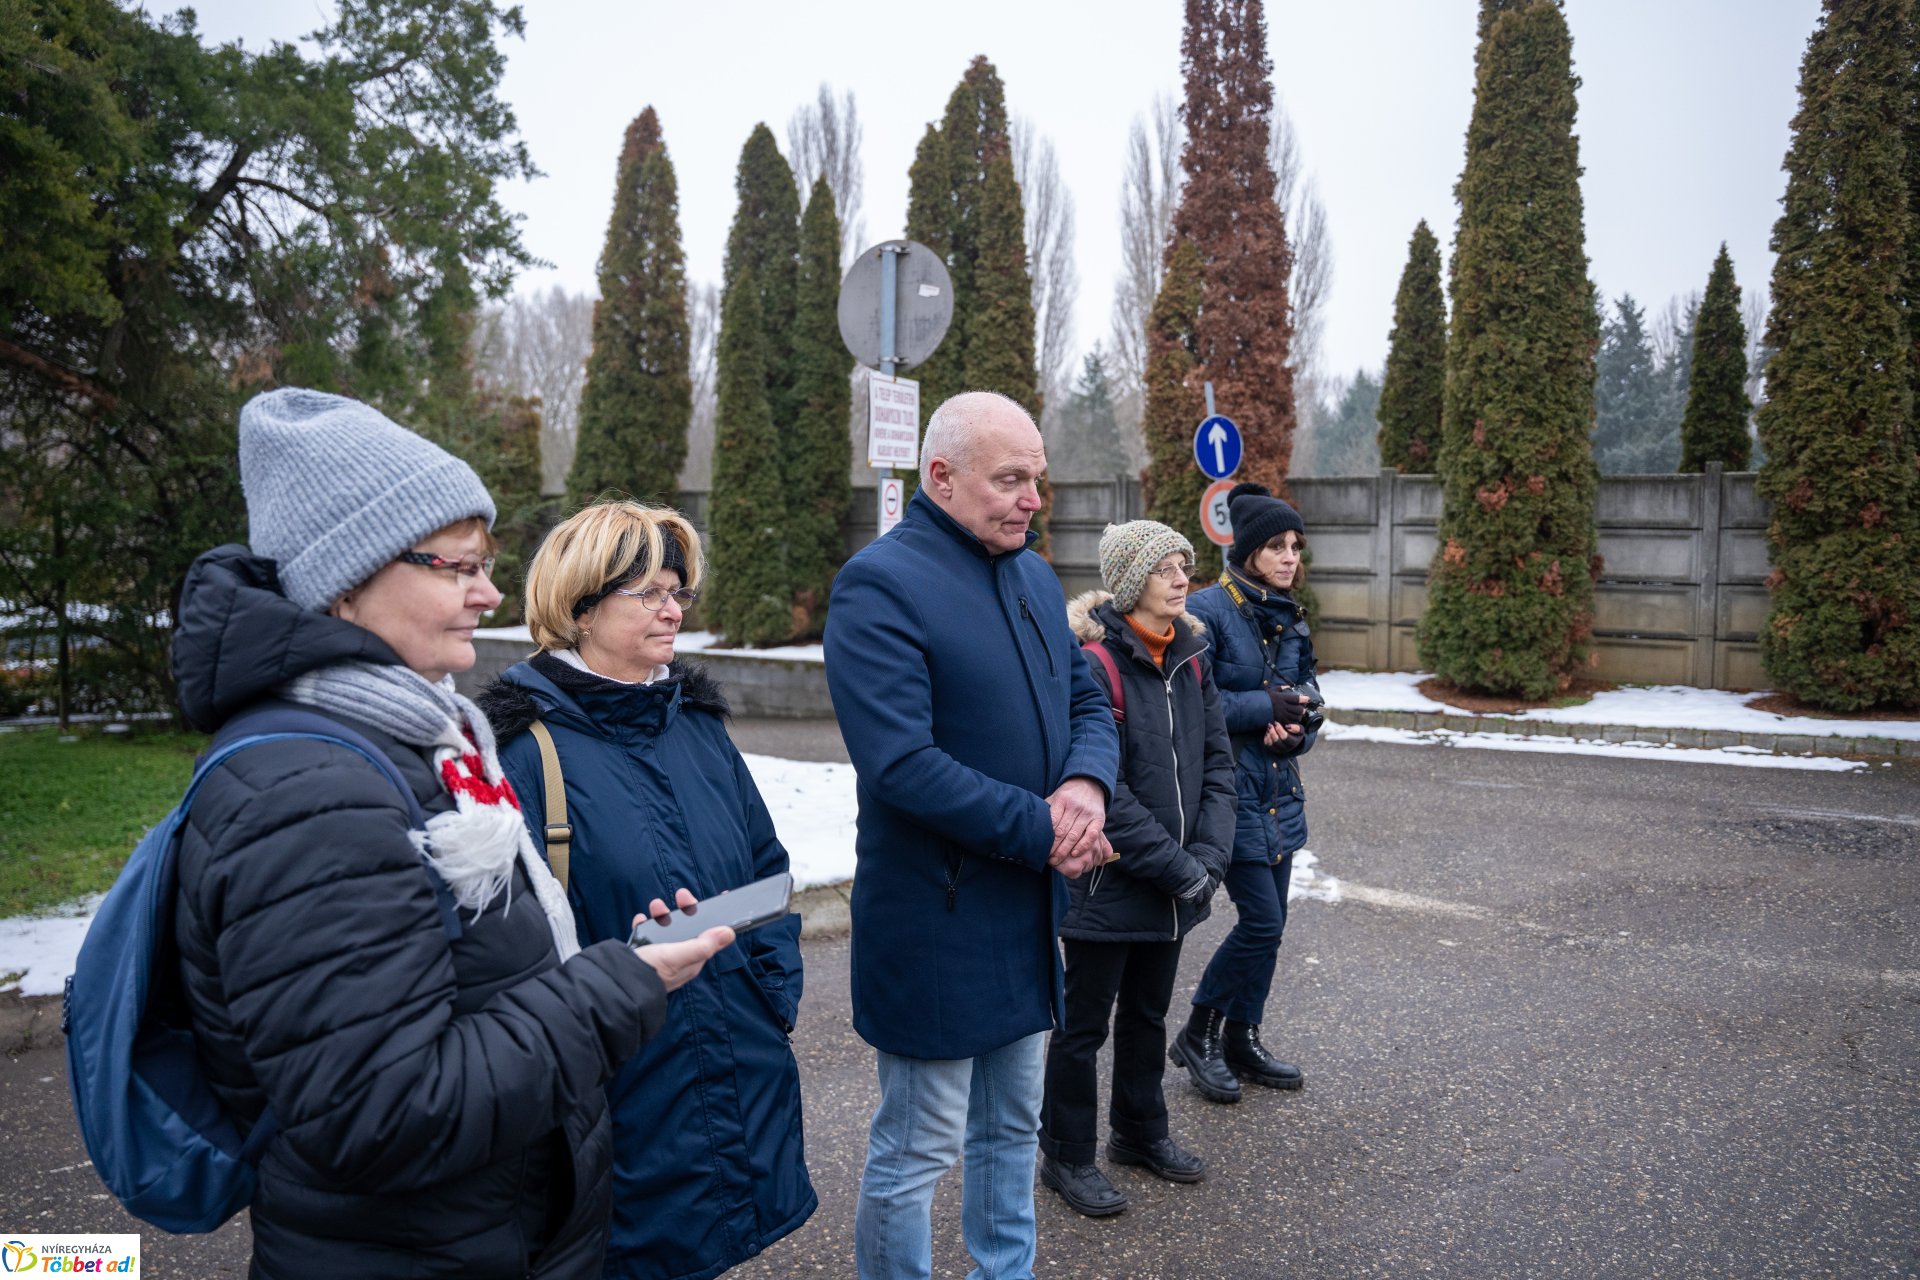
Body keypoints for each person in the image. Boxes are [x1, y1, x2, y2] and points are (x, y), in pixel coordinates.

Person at [169, 388, 731, 1278]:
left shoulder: (411, 736)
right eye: (456, 566)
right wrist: (614, 988)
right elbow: (383, 1112)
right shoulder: (310, 794)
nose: (491, 591)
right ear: (347, 576)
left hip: (477, 1234)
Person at [823, 390, 1121, 1280]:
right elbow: (902, 765)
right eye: (1011, 479)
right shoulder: (880, 583)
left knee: (1009, 1131)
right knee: (917, 1150)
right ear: (941, 476)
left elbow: (1085, 699)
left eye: (1038, 479)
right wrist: (1047, 831)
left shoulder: (1031, 573)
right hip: (936, 921)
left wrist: (1084, 786)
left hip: (1024, 915)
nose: (1032, 499)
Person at [477, 500, 814, 1280]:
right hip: (619, 1096)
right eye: (650, 593)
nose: (674, 610)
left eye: (679, 592)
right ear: (581, 607)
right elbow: (501, 954)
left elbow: (764, 869)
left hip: (738, 1062)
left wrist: (773, 991)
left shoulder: (694, 724)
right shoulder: (521, 754)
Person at [1038, 521, 1236, 1218]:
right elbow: (1103, 789)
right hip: (1108, 884)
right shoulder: (1097, 664)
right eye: (1166, 568)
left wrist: (1207, 860)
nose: (1183, 578)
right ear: (1129, 582)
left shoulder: (1193, 656)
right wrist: (1178, 865)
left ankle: (1140, 1132)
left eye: (1185, 564)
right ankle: (1066, 1155)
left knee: (1149, 1015)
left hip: (1178, 883)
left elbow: (1218, 768)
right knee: (1083, 1026)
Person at [1175, 481, 1322, 1104]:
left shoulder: (1288, 615)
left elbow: (1310, 697)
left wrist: (1300, 730)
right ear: (1249, 551)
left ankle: (1244, 1034)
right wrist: (1265, 705)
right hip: (1229, 794)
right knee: (1260, 922)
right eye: (1278, 547)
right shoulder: (1207, 612)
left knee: (1276, 922)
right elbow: (1193, 702)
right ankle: (1197, 1033)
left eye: (1296, 547)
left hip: (1279, 794)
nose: (1291, 558)